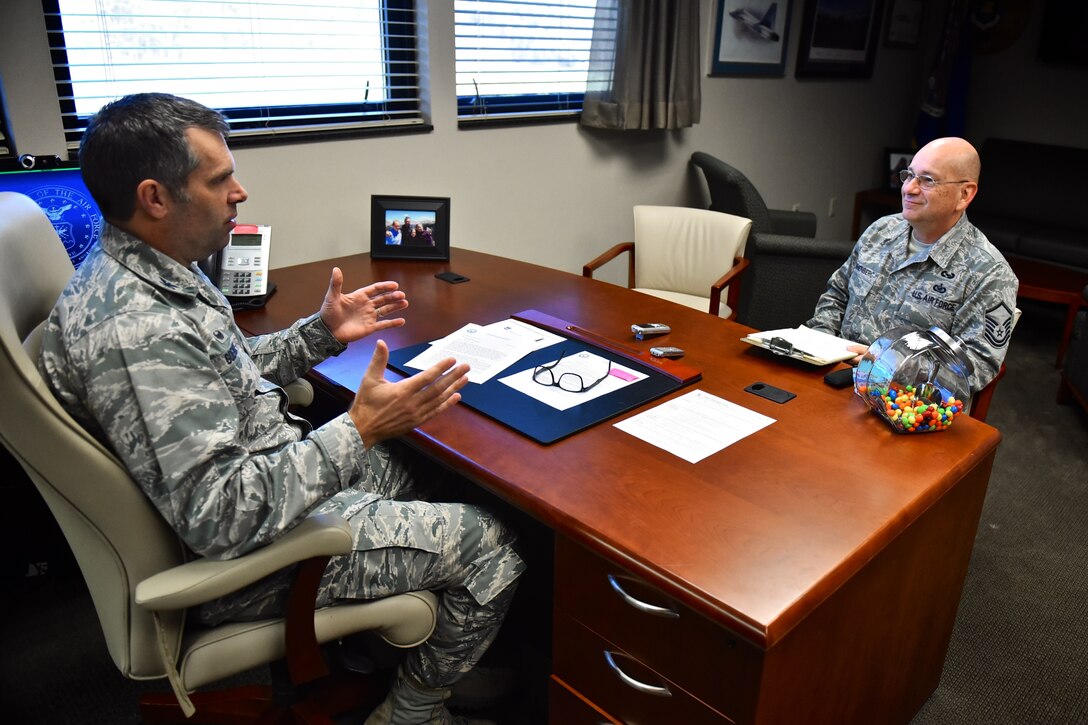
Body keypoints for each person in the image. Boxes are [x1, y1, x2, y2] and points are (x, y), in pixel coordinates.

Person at [37, 92, 523, 725]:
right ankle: (413, 709)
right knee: (495, 543)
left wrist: (319, 333)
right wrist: (359, 427)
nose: (239, 192)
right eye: (219, 180)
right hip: (252, 554)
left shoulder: (148, 273)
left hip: (276, 481)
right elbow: (221, 518)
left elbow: (223, 373)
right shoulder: (137, 331)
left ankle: (366, 656)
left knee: (431, 471)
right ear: (156, 198)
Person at [805, 136, 1018, 393]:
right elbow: (838, 293)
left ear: (965, 194)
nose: (909, 189)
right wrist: (821, 344)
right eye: (909, 175)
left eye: (927, 180)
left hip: (901, 401)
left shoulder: (989, 273)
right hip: (830, 373)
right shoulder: (881, 230)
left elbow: (976, 367)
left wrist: (890, 366)